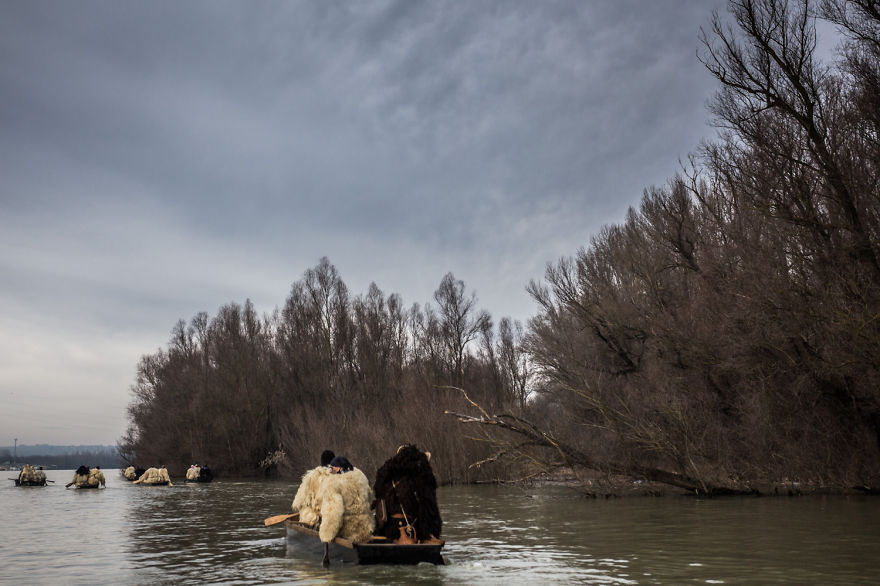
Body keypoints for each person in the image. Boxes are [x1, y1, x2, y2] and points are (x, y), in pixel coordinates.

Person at [372, 444, 442, 543]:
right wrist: (429, 534)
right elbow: (430, 512)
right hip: (413, 531)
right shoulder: (422, 477)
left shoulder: (384, 476)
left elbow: (378, 498)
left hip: (388, 530)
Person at [317, 455, 375, 544]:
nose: (329, 470)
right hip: (366, 529)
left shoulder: (333, 484)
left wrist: (326, 536)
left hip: (348, 532)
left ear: (338, 468)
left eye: (331, 468)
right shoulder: (362, 480)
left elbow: (333, 513)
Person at [291, 450, 335, 526]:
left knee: (306, 509)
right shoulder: (339, 476)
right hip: (331, 518)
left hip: (313, 520)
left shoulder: (310, 476)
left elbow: (298, 502)